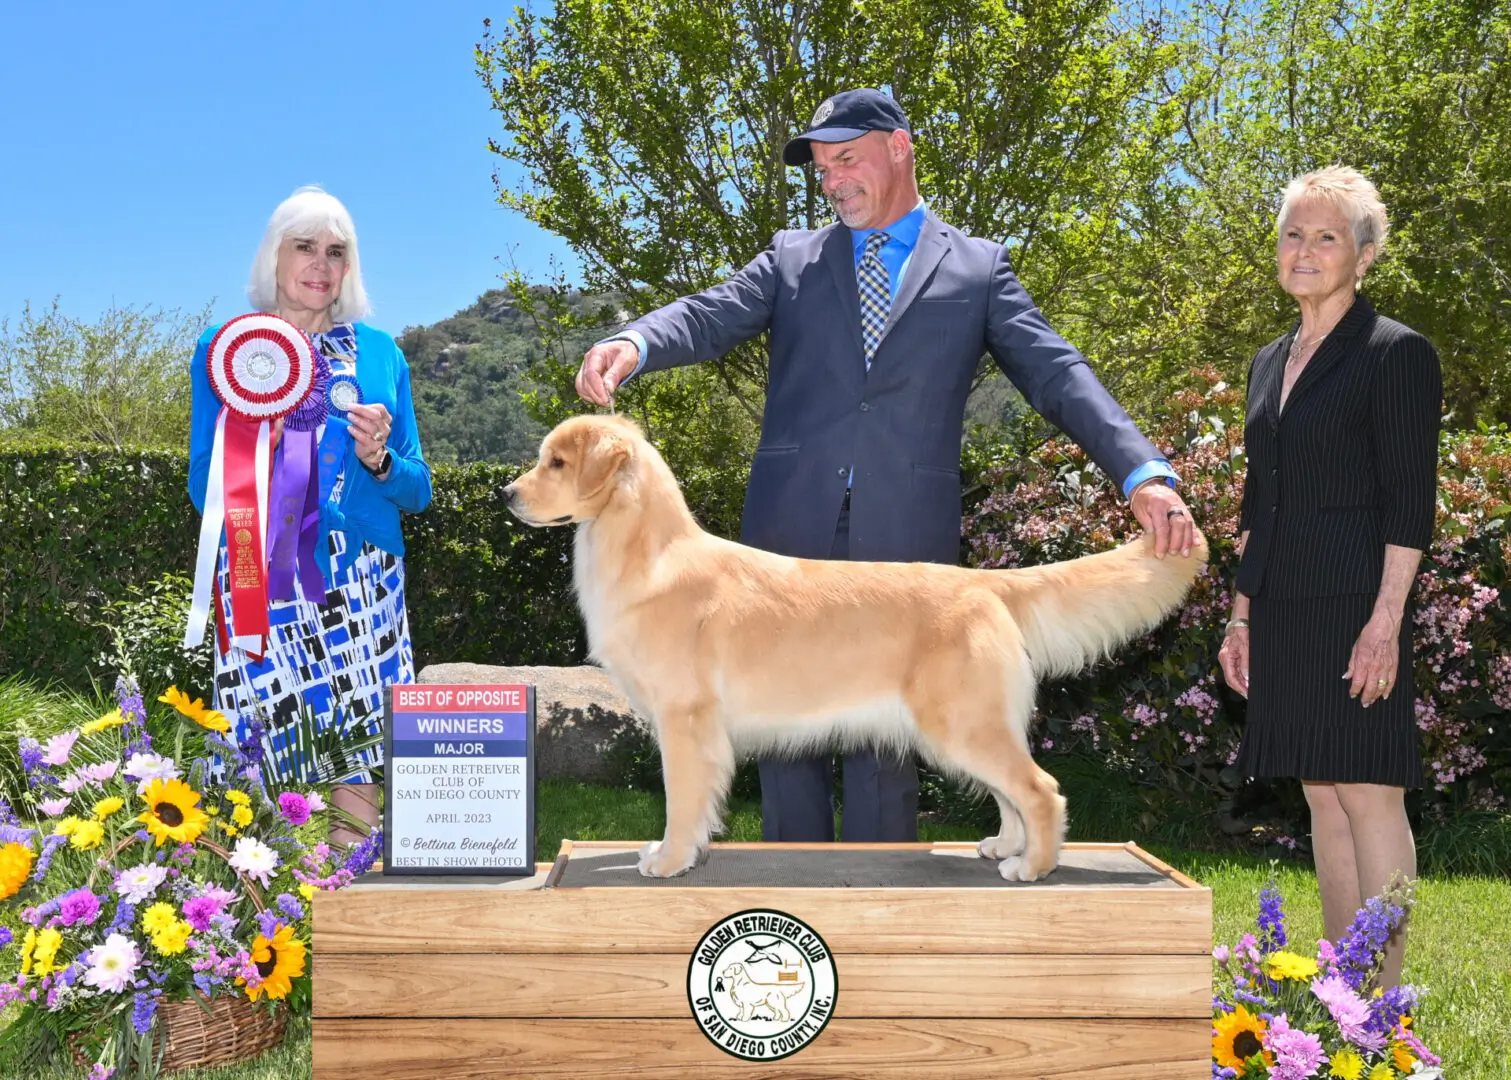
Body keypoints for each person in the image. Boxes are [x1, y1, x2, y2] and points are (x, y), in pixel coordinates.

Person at [576, 89, 1196, 844]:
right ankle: (790, 911)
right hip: (783, 538)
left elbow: (1058, 375)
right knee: (782, 747)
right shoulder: (789, 257)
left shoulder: (978, 268)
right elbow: (708, 313)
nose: (831, 181)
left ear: (897, 146)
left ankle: (882, 916)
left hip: (904, 539)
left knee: (889, 748)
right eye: (821, 169)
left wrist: (1142, 474)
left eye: (845, 160)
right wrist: (636, 342)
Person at [1218, 166, 1441, 987]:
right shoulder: (1268, 359)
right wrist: (1240, 616)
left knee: (1368, 791)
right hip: (1281, 602)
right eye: (1291, 234)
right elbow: (1257, 500)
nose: (1303, 251)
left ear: (1364, 255)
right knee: (1321, 794)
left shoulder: (1395, 353)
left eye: (1325, 236)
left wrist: (1384, 624)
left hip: (1356, 600)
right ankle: (1344, 987)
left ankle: (1387, 1000)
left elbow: (1408, 503)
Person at [188, 186, 432, 846]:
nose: (320, 264)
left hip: (364, 582)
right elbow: (201, 482)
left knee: (359, 751)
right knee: (261, 758)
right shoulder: (226, 345)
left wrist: (381, 460)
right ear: (275, 257)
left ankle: (352, 899)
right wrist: (257, 451)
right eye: (304, 247)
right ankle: (268, 917)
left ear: (349, 267)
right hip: (258, 575)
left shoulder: (382, 352)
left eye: (335, 251)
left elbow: (419, 490)